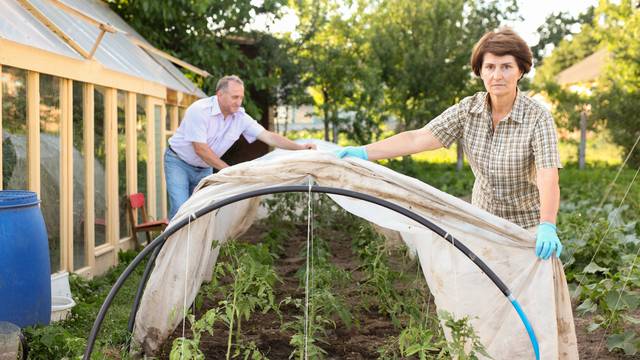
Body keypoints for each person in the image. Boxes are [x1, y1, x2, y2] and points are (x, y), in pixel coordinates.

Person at [336, 28, 562, 260]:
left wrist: (547, 225)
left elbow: (548, 175)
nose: (497, 75)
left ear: (520, 71)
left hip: (528, 227)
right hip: (484, 222)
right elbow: (418, 138)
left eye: (506, 67)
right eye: (490, 67)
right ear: (480, 71)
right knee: (486, 290)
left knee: (529, 293)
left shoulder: (538, 117)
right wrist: (364, 152)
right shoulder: (468, 110)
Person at [165, 75, 316, 219]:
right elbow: (201, 149)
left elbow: (268, 136)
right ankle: (168, 245)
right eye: (234, 97)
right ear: (219, 94)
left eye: (241, 97)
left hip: (204, 168)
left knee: (202, 212)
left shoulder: (240, 117)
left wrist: (300, 147)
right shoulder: (199, 110)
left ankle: (196, 246)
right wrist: (229, 171)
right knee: (181, 210)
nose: (239, 102)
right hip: (179, 163)